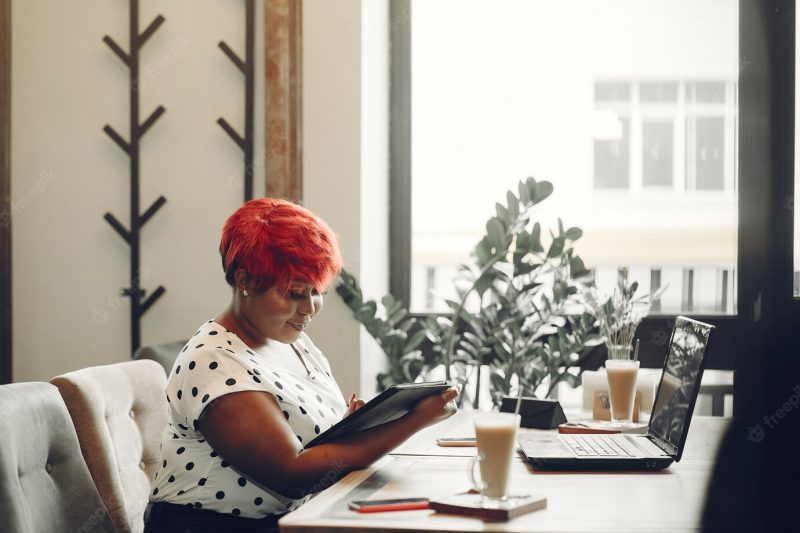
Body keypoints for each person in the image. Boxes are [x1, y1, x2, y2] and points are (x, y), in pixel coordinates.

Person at [144, 198, 461, 532]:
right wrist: (414, 421)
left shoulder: (292, 340)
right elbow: (292, 475)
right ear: (246, 281)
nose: (309, 308)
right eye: (295, 293)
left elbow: (310, 449)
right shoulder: (212, 361)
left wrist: (352, 426)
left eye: (316, 291)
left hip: (299, 517)